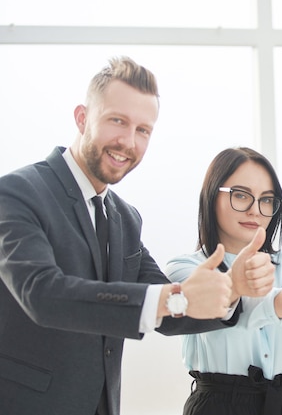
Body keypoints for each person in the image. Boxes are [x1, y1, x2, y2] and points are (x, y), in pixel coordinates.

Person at [0, 57, 264, 415]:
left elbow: (169, 305)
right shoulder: (16, 193)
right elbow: (43, 294)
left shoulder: (125, 217)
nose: (128, 141)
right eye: (117, 121)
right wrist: (173, 298)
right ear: (82, 117)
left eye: (143, 130)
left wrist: (230, 288)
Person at [165, 147, 282, 415]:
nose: (255, 210)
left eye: (267, 200)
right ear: (212, 195)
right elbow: (232, 306)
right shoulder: (185, 268)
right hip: (218, 406)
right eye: (240, 195)